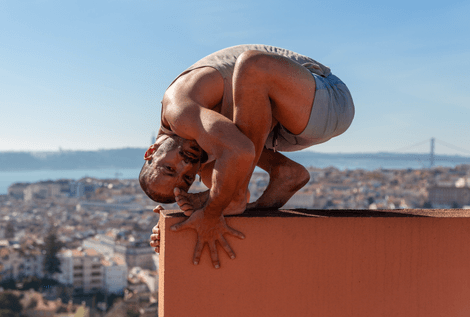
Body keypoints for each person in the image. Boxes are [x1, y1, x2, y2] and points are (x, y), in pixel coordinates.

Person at [143, 44, 355, 268]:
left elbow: (238, 165)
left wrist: (213, 210)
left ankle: (266, 175)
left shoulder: (178, 108)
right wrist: (170, 234)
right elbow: (234, 199)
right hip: (294, 127)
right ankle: (284, 172)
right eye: (187, 178)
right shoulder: (203, 156)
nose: (186, 165)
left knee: (253, 65)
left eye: (169, 168)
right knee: (226, 157)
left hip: (327, 96)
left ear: (151, 152)